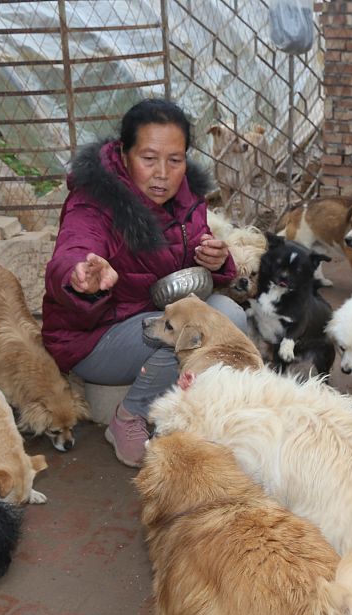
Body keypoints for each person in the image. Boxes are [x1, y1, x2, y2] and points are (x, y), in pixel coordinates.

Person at [41, 99, 249, 467]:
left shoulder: (187, 198)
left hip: (153, 314)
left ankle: (197, 407)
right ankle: (128, 417)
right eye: (148, 158)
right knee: (187, 335)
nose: (163, 174)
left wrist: (217, 261)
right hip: (94, 336)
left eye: (175, 159)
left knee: (232, 317)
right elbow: (74, 247)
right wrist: (80, 277)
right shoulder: (94, 200)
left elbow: (200, 258)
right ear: (123, 154)